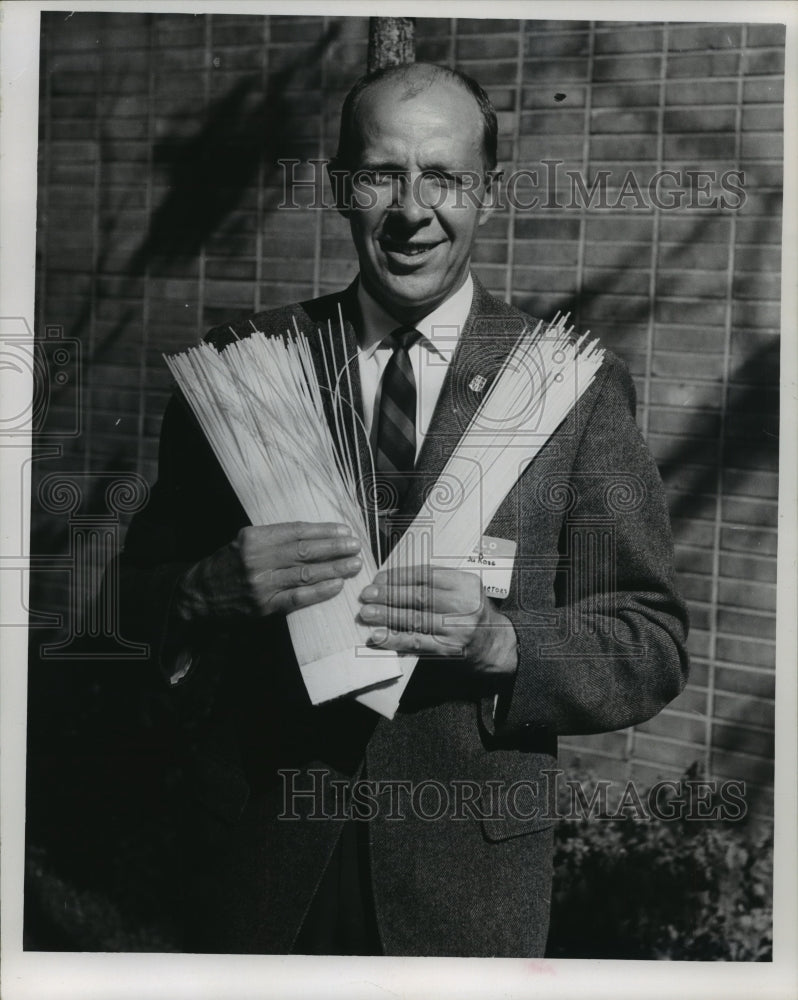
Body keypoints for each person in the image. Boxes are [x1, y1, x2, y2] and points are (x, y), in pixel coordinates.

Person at [116, 62, 689, 957]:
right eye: (382, 173)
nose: (412, 209)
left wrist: (508, 644)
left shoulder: (571, 387)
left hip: (467, 881)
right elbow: (127, 600)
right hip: (262, 864)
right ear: (344, 188)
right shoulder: (242, 376)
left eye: (446, 177)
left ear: (488, 196)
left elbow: (648, 641)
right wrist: (198, 593)